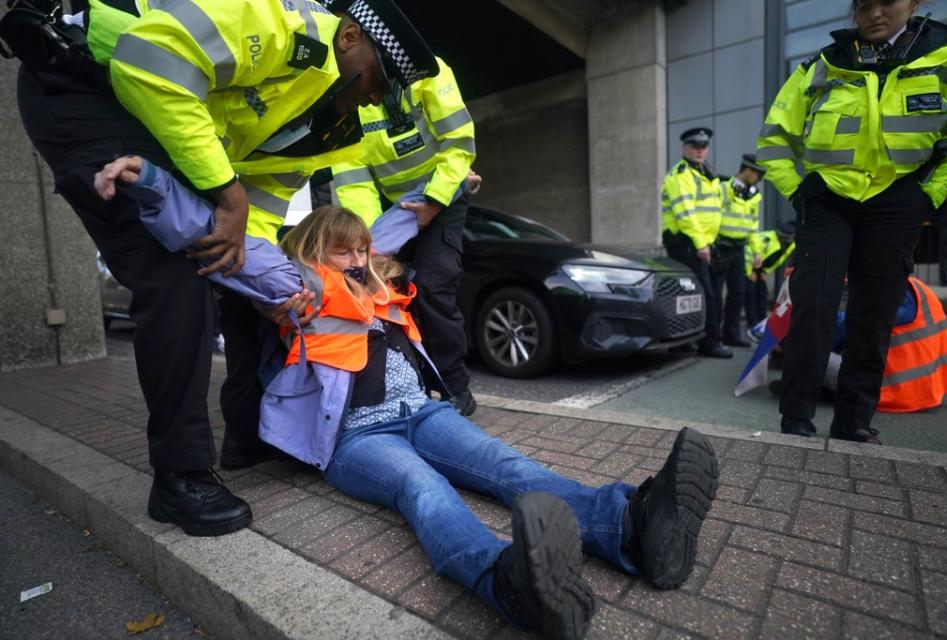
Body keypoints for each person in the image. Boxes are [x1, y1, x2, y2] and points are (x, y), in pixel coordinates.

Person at [12, 0, 438, 536]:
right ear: (350, 38)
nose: (378, 97)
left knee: (241, 275)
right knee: (173, 274)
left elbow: (256, 213)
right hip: (83, 84)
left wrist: (257, 280)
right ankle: (180, 475)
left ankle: (250, 436)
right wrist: (228, 199)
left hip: (150, 112)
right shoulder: (284, 25)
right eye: (380, 78)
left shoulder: (328, 124)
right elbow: (155, 59)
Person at [260, 207, 720, 640]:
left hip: (422, 413)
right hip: (358, 436)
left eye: (362, 249)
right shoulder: (300, 295)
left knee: (506, 464)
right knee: (423, 487)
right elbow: (254, 266)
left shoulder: (380, 289)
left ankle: (632, 528)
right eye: (344, 251)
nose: (358, 259)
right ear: (314, 254)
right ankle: (510, 584)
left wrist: (446, 189)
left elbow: (398, 226)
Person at [756, 0, 947, 443]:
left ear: (914, 2)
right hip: (827, 200)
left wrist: (929, 196)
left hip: (897, 201)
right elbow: (774, 139)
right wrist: (797, 188)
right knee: (813, 306)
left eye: (887, 1)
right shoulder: (825, 64)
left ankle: (853, 422)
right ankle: (795, 421)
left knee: (875, 312)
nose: (875, 14)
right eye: (864, 4)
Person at [329, 46, 478, 415]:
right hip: (398, 210)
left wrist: (435, 200)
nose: (371, 98)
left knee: (433, 286)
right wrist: (365, 246)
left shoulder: (430, 71)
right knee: (392, 290)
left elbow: (457, 145)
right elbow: (354, 180)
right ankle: (419, 382)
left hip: (441, 197)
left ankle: (457, 389)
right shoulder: (351, 97)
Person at [771, 275, 947, 412]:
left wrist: (792, 331)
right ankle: (820, 386)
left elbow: (847, 326)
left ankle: (802, 386)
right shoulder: (917, 288)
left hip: (888, 390)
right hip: (928, 390)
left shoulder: (891, 292)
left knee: (806, 345)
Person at [661, 127, 731, 359]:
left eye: (703, 147)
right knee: (704, 294)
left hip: (702, 241)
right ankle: (709, 343)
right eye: (695, 147)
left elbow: (713, 212)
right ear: (685, 148)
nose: (700, 151)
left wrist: (711, 241)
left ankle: (685, 341)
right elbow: (686, 214)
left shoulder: (704, 173)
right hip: (686, 241)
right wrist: (702, 245)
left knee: (689, 293)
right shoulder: (680, 175)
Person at [713, 154, 766, 347]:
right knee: (716, 294)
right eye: (758, 175)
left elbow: (753, 226)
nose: (759, 180)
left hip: (739, 249)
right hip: (721, 246)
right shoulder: (722, 187)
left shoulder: (753, 195)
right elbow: (713, 216)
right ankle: (713, 336)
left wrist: (757, 251)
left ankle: (731, 335)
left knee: (738, 293)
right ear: (748, 170)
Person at [744, 221, 796, 335]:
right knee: (751, 295)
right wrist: (749, 272)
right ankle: (752, 323)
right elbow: (748, 251)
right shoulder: (766, 239)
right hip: (749, 266)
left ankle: (762, 322)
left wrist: (765, 272)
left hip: (762, 269)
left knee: (762, 294)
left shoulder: (789, 245)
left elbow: (778, 259)